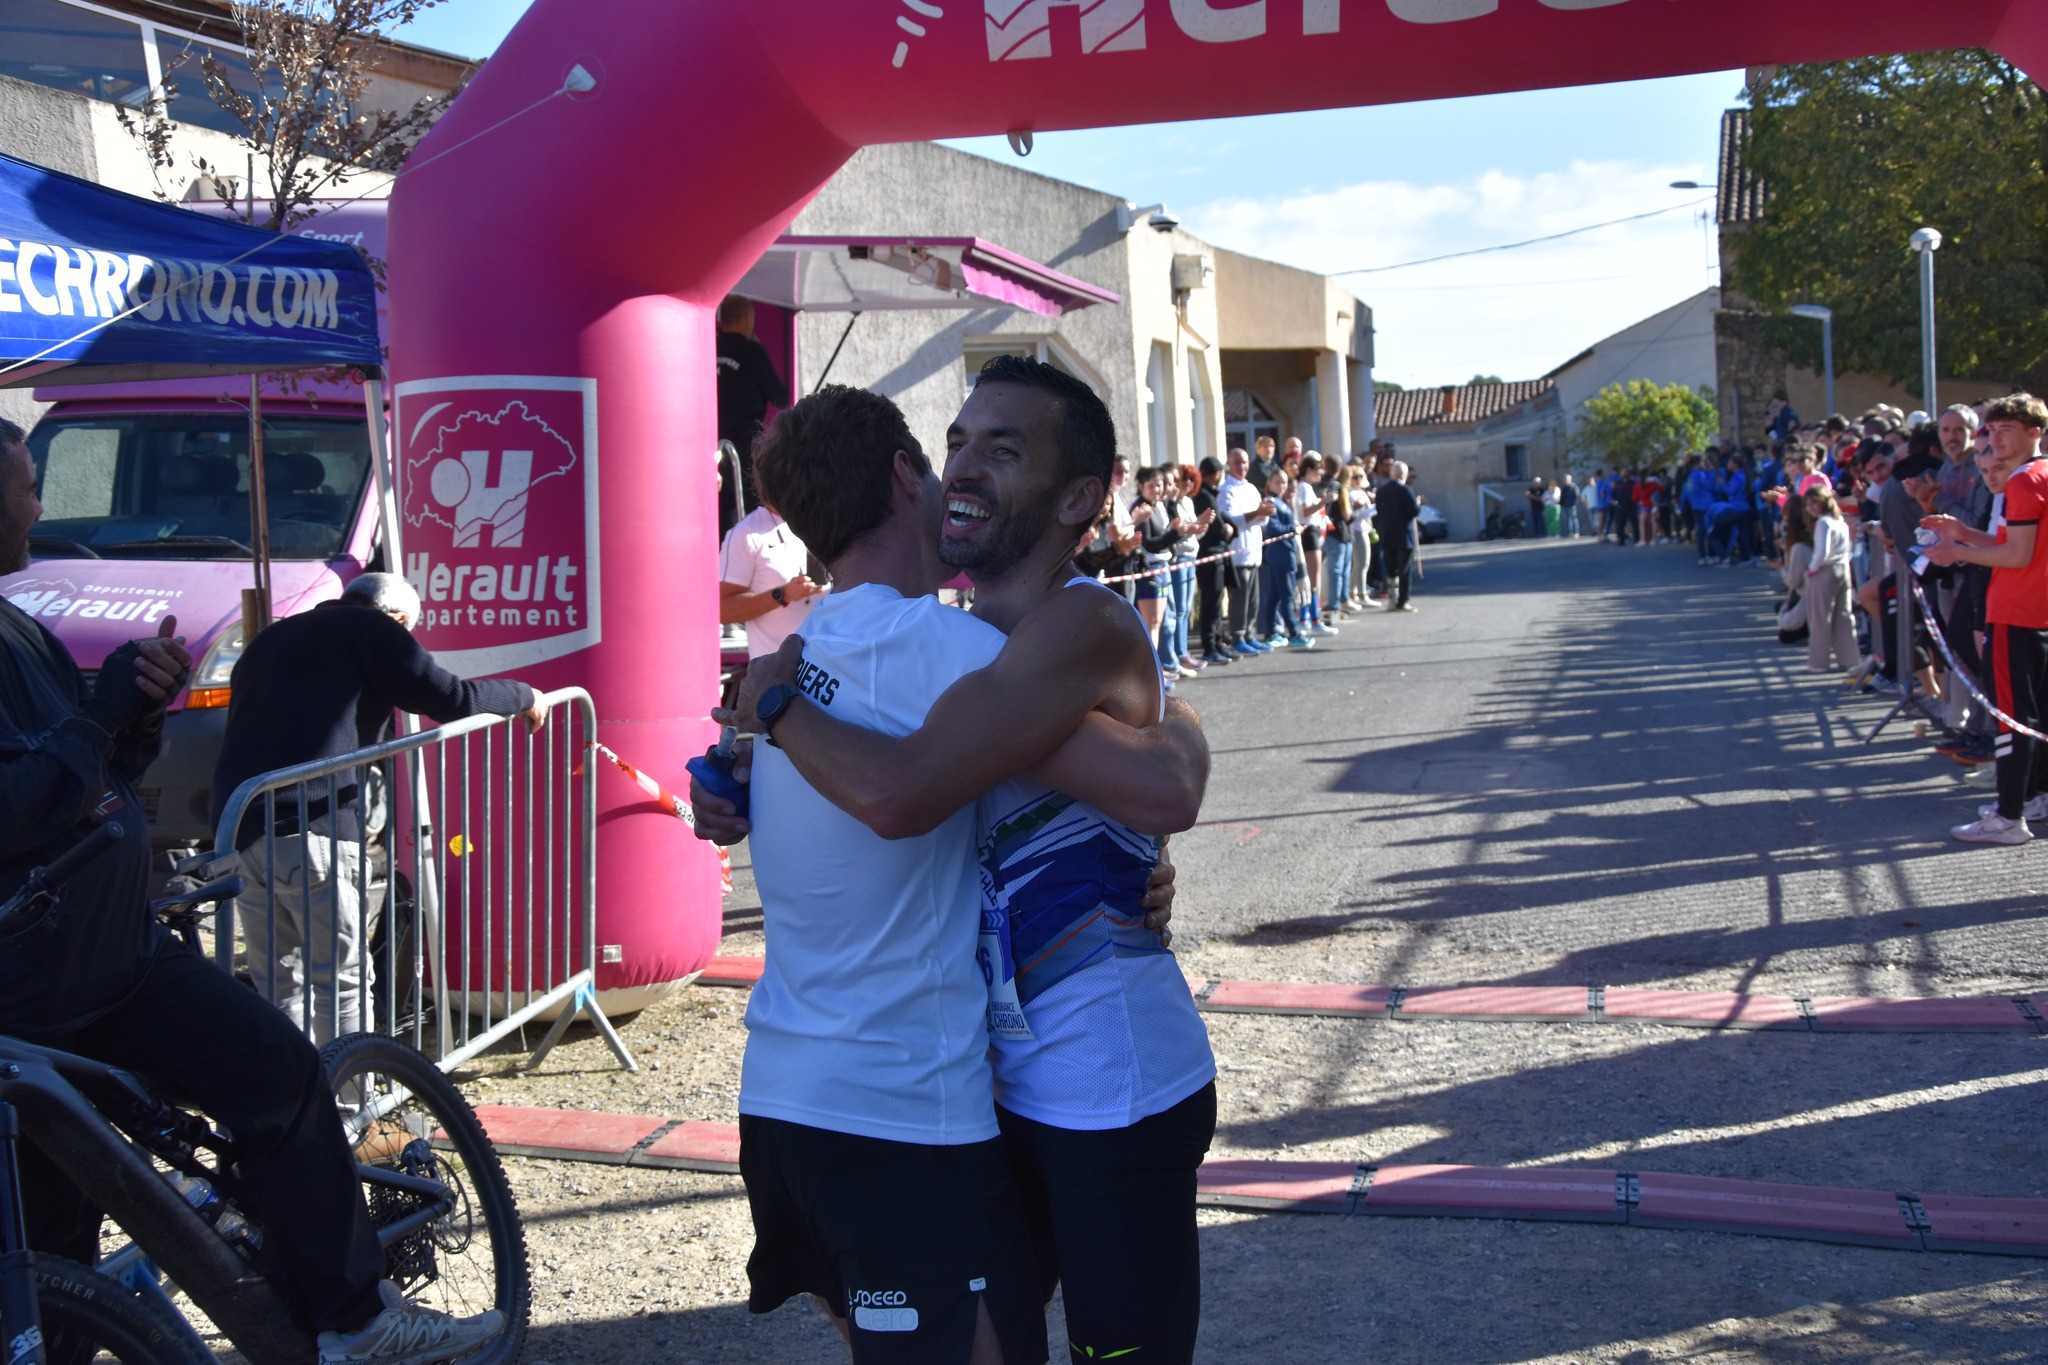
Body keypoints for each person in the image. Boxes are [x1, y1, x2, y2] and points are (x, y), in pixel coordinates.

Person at [704, 362, 1215, 1363]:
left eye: (1003, 449)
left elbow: (1160, 786)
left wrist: (778, 710)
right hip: (990, 1085)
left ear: (1076, 498)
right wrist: (741, 778)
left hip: (1108, 1081)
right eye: (957, 443)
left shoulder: (1059, 626)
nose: (966, 467)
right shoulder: (954, 641)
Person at [0, 420, 503, 1365]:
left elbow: (86, 774)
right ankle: (338, 1310)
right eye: (28, 485)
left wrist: (134, 718)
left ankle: (351, 1315)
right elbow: (18, 803)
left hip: (112, 954)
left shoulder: (20, 621)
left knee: (271, 1074)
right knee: (55, 1235)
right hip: (49, 988)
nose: (40, 504)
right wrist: (102, 717)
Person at [212, 573, 547, 1044]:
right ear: (399, 618)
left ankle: (290, 1087)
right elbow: (455, 699)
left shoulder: (272, 637)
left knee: (279, 986)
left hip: (240, 829)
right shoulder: (373, 629)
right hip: (314, 826)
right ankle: (351, 1090)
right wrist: (526, 695)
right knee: (342, 982)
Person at [1924, 394, 2048, 845]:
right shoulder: (2037, 475)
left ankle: (2009, 816)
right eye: (1993, 429)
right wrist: (1962, 534)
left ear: (2034, 433)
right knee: (2034, 715)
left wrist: (1955, 551)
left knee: (2012, 718)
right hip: (2034, 611)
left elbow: (2016, 554)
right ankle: (2032, 797)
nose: (1995, 438)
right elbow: (2010, 542)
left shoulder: (2024, 481)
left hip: (2016, 611)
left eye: (2006, 430)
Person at [716, 293, 792, 538]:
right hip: (745, 442)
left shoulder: (710, 344)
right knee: (749, 504)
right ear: (748, 318)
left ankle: (720, 552)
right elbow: (779, 396)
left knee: (718, 503)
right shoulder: (751, 351)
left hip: (710, 440)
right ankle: (748, 553)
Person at [719, 497, 825, 659]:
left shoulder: (822, 520)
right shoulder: (745, 533)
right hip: (778, 668)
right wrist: (782, 594)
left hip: (826, 665)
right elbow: (723, 610)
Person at [1217, 448, 1272, 657]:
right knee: (1240, 599)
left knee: (1253, 599)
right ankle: (1238, 635)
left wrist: (1264, 513)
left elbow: (1260, 520)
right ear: (1230, 464)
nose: (1242, 466)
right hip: (1238, 553)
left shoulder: (1251, 488)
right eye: (1237, 462)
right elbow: (1231, 519)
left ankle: (1249, 633)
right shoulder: (1226, 490)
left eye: (1245, 462)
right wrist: (1257, 512)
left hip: (1254, 550)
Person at [1803, 484, 1861, 673]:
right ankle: (1850, 659)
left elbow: (1822, 552)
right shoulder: (1840, 521)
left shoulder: (1823, 523)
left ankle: (1818, 662)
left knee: (1820, 618)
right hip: (1843, 569)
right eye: (1808, 504)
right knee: (1844, 615)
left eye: (1814, 502)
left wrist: (1811, 569)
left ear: (1824, 502)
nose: (1811, 507)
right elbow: (1848, 548)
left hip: (1825, 570)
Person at [1255, 470, 1311, 648]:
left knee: (1275, 595)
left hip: (1285, 551)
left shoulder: (1282, 502)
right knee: (1286, 595)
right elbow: (1272, 528)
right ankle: (1293, 632)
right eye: (1278, 482)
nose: (1282, 485)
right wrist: (1293, 529)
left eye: (1284, 482)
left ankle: (1271, 631)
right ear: (1270, 483)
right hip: (1280, 553)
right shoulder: (1271, 502)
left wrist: (1293, 528)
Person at [1191, 456, 1237, 667]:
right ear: (1216, 474)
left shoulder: (1209, 493)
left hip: (1217, 554)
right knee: (1211, 602)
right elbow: (1218, 525)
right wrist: (1225, 529)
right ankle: (1210, 646)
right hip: (1210, 555)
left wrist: (1228, 527)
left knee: (1217, 602)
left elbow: (1223, 519)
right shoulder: (1203, 495)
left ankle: (1218, 642)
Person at [1374, 459, 1421, 612]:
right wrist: (1417, 503)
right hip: (1404, 535)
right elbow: (1414, 511)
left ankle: (1392, 600)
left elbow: (1379, 512)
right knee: (1404, 570)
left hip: (1387, 534)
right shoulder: (1406, 490)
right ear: (1403, 474)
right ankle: (1403, 601)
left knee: (1391, 569)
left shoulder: (1381, 491)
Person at [1559, 473, 1581, 538]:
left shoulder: (1574, 487)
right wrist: (1561, 504)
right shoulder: (1564, 488)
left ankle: (1576, 531)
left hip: (1572, 505)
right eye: (1565, 479)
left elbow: (1577, 496)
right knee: (1568, 519)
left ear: (1570, 479)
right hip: (1566, 505)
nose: (1566, 480)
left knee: (1574, 518)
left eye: (1567, 479)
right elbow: (1562, 496)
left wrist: (1574, 504)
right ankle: (1570, 532)